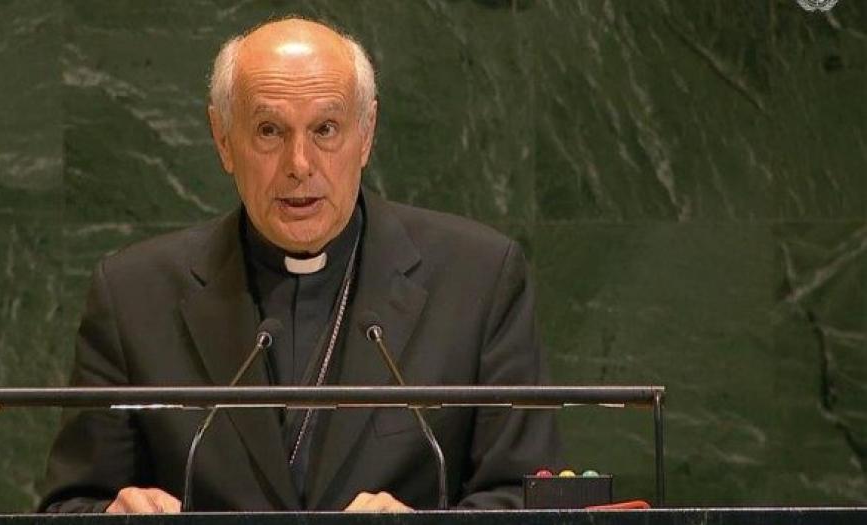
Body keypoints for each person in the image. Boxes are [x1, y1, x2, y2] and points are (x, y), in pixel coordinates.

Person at [38, 17, 560, 514]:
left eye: (326, 129)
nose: (300, 165)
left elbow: (526, 497)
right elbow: (70, 504)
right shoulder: (133, 296)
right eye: (269, 130)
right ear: (223, 139)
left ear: (367, 132)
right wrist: (115, 513)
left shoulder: (478, 279)